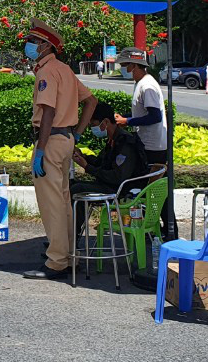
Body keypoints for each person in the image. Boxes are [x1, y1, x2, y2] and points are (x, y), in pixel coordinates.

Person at [22, 19, 98, 280]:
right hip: (65, 140)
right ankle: (67, 256)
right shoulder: (64, 69)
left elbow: (48, 110)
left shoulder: (46, 72)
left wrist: (40, 149)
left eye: (33, 41)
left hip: (51, 142)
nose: (28, 45)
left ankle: (56, 263)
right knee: (64, 201)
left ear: (45, 45)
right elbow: (91, 102)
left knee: (52, 203)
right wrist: (76, 134)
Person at [112, 47, 176, 240]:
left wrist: (127, 121)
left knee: (153, 192)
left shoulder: (147, 86)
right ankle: (159, 231)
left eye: (124, 65)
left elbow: (155, 116)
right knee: (152, 192)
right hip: (149, 143)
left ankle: (165, 232)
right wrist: (128, 119)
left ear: (134, 65)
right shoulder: (142, 83)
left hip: (153, 147)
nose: (123, 69)